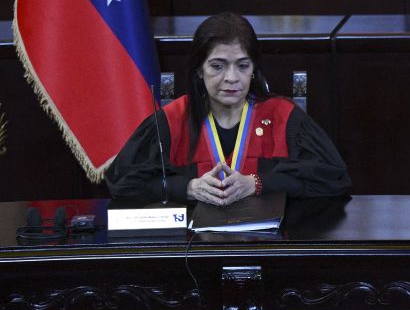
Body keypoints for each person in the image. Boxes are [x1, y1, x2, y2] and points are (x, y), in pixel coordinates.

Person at [107, 12, 350, 205]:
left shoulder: (283, 117)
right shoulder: (171, 121)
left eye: (242, 66)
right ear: (199, 70)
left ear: (253, 68)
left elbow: (334, 180)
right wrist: (187, 188)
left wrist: (258, 183)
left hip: (268, 246)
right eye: (218, 66)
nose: (231, 78)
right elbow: (123, 184)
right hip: (190, 252)